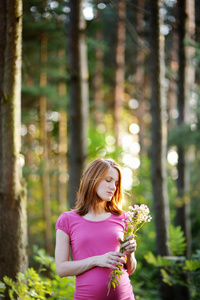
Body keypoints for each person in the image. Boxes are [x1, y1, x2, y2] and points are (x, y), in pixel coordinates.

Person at [55, 158, 137, 300]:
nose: (113, 187)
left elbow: (130, 269)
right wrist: (96, 260)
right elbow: (61, 269)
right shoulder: (67, 220)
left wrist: (130, 254)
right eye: (108, 180)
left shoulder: (123, 218)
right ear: (92, 179)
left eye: (116, 183)